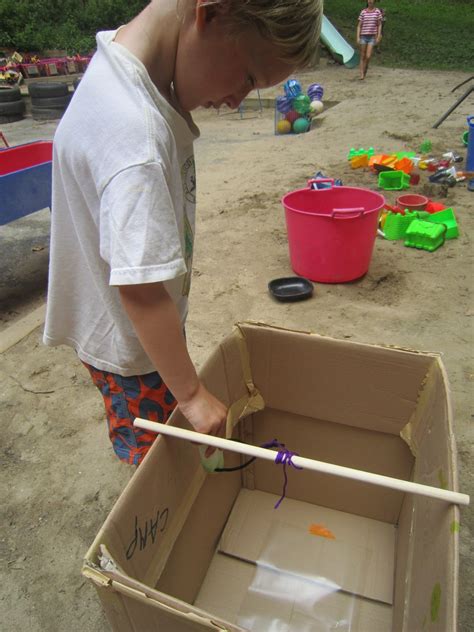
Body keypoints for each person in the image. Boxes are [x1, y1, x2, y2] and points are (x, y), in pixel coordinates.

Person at [43, 0, 323, 466]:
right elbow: (141, 291)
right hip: (131, 344)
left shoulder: (121, 57)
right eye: (250, 77)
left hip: (121, 322)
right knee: (156, 459)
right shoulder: (137, 140)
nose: (237, 100)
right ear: (210, 14)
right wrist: (190, 392)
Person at [357, 0, 382, 80]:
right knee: (362, 55)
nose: (370, 1)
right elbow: (359, 26)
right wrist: (358, 36)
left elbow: (379, 25)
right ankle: (361, 73)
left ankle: (365, 67)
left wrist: (378, 35)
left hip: (371, 37)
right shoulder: (363, 12)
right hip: (363, 36)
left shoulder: (377, 12)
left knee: (368, 56)